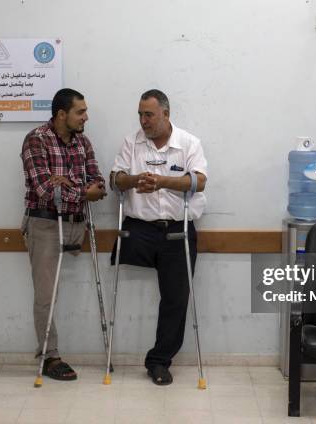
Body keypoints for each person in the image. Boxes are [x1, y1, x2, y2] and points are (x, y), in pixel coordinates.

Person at [110, 89, 207, 385]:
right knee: (119, 281)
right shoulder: (132, 142)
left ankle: (159, 361)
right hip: (140, 229)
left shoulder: (189, 143)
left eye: (149, 114)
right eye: (140, 114)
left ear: (166, 114)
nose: (143, 120)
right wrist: (135, 180)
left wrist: (162, 182)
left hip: (177, 230)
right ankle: (113, 353)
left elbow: (200, 182)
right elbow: (115, 180)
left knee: (176, 299)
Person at [20, 88, 106, 381]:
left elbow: (99, 182)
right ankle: (49, 356)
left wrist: (69, 185)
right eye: (80, 112)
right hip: (44, 223)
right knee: (46, 294)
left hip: (76, 222)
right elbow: (45, 189)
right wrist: (82, 190)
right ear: (61, 114)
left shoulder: (83, 142)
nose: (86, 117)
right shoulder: (37, 139)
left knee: (65, 288)